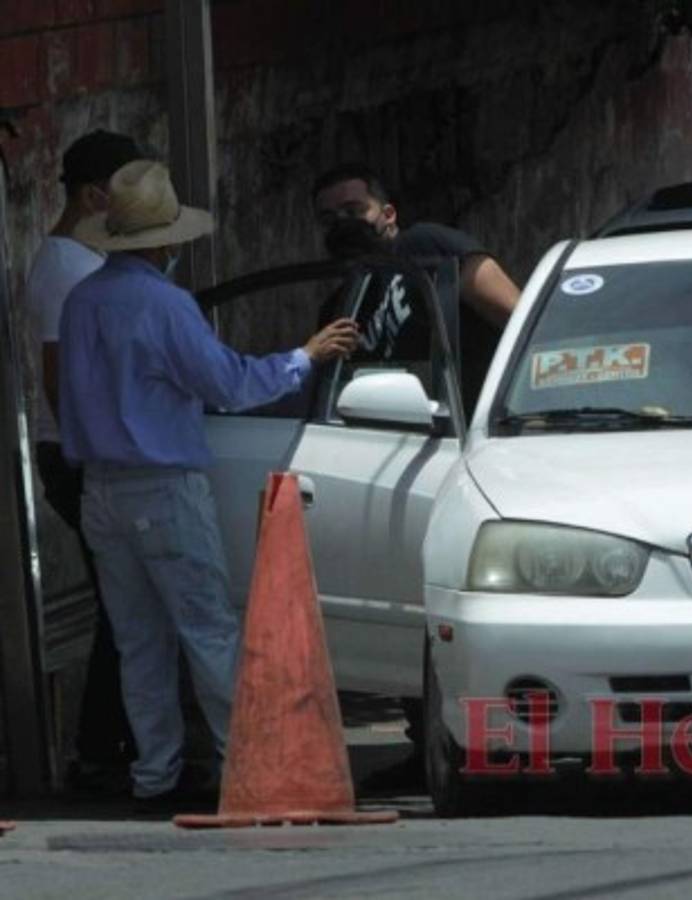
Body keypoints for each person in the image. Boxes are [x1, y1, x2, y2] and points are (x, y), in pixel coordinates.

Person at [58, 159, 358, 805]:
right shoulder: (166, 305)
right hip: (160, 488)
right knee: (208, 632)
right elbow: (228, 384)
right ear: (165, 241)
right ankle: (243, 766)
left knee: (139, 644)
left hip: (101, 494)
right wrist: (302, 357)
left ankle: (154, 776)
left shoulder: (81, 301)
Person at [28, 129, 143, 791]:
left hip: (85, 453)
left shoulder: (84, 261)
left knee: (123, 600)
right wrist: (97, 456)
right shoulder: (65, 268)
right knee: (123, 601)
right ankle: (99, 746)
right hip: (76, 456)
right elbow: (56, 375)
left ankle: (110, 740)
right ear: (97, 194)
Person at [311, 163, 520, 411]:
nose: (342, 225)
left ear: (388, 215)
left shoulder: (424, 246)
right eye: (329, 219)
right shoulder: (338, 307)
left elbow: (517, 319)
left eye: (354, 211)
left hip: (475, 425)